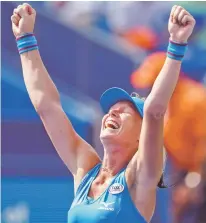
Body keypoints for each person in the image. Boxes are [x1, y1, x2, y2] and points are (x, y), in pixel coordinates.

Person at [11, 3, 196, 223]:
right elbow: (47, 107)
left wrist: (176, 45)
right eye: (110, 110)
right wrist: (25, 39)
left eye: (124, 111)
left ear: (141, 137)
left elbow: (155, 111)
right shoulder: (86, 170)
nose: (112, 113)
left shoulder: (140, 178)